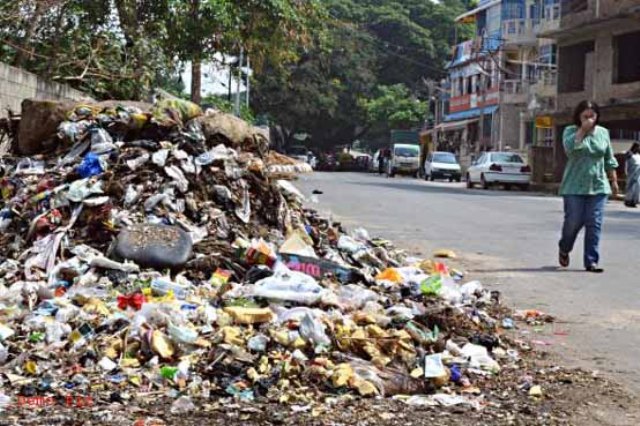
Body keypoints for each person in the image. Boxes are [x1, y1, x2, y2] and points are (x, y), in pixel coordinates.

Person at [558, 100, 619, 273]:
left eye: (592, 116)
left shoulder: (603, 133)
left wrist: (613, 180)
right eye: (585, 116)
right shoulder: (570, 131)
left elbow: (609, 158)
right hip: (574, 186)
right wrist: (583, 131)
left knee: (594, 222)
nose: (589, 119)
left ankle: (591, 261)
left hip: (598, 185)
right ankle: (564, 247)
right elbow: (571, 150)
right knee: (574, 221)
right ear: (579, 116)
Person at [624, 142, 640, 207]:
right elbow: (626, 164)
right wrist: (625, 171)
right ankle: (628, 201)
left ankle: (634, 201)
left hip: (638, 174)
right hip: (631, 173)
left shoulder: (638, 155)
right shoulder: (629, 154)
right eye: (638, 147)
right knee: (630, 187)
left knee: (637, 187)